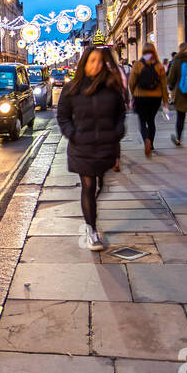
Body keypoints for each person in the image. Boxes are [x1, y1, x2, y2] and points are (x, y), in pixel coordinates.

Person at [57, 46, 127, 251]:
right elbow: (62, 116)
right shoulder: (71, 89)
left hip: (106, 145)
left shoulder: (111, 87)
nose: (96, 65)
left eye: (99, 61)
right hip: (82, 146)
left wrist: (118, 131)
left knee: (99, 185)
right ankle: (91, 230)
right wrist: (72, 134)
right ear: (84, 63)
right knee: (88, 186)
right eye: (92, 60)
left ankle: (91, 215)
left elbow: (120, 114)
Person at [128, 42, 168, 158]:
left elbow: (131, 82)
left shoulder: (138, 64)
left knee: (142, 121)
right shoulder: (159, 65)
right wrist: (165, 100)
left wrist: (133, 93)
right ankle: (152, 143)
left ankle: (146, 140)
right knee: (151, 121)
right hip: (155, 97)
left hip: (140, 96)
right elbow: (163, 85)